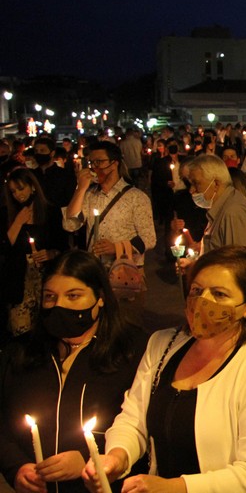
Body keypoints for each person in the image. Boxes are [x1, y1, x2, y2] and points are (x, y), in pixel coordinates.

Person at [82, 246, 246, 492]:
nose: (204, 302)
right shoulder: (163, 346)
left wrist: (176, 487)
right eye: (197, 291)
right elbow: (134, 418)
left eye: (220, 294)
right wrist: (118, 456)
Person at [0, 250, 147, 493]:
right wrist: (16, 467)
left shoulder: (134, 351)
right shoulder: (20, 353)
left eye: (73, 296)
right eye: (50, 297)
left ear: (100, 297)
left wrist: (91, 457)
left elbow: (140, 424)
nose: (59, 306)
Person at [62, 141, 156, 325]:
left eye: (100, 162)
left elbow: (149, 238)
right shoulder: (89, 195)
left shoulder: (136, 197)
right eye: (91, 163)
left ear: (115, 163)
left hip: (125, 273)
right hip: (95, 271)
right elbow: (69, 224)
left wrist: (116, 247)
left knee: (126, 323)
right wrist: (80, 188)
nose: (95, 168)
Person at [1, 169, 68, 339]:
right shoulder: (6, 213)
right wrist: (18, 222)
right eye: (13, 192)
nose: (18, 195)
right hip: (19, 280)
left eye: (21, 189)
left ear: (32, 187)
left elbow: (62, 246)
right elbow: (4, 247)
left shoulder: (50, 212)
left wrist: (50, 253)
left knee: (46, 328)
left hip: (45, 277)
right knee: (21, 329)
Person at [182, 154, 246, 278]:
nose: (192, 190)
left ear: (216, 183)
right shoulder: (221, 209)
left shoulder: (234, 213)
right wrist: (196, 265)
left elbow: (240, 270)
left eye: (196, 184)